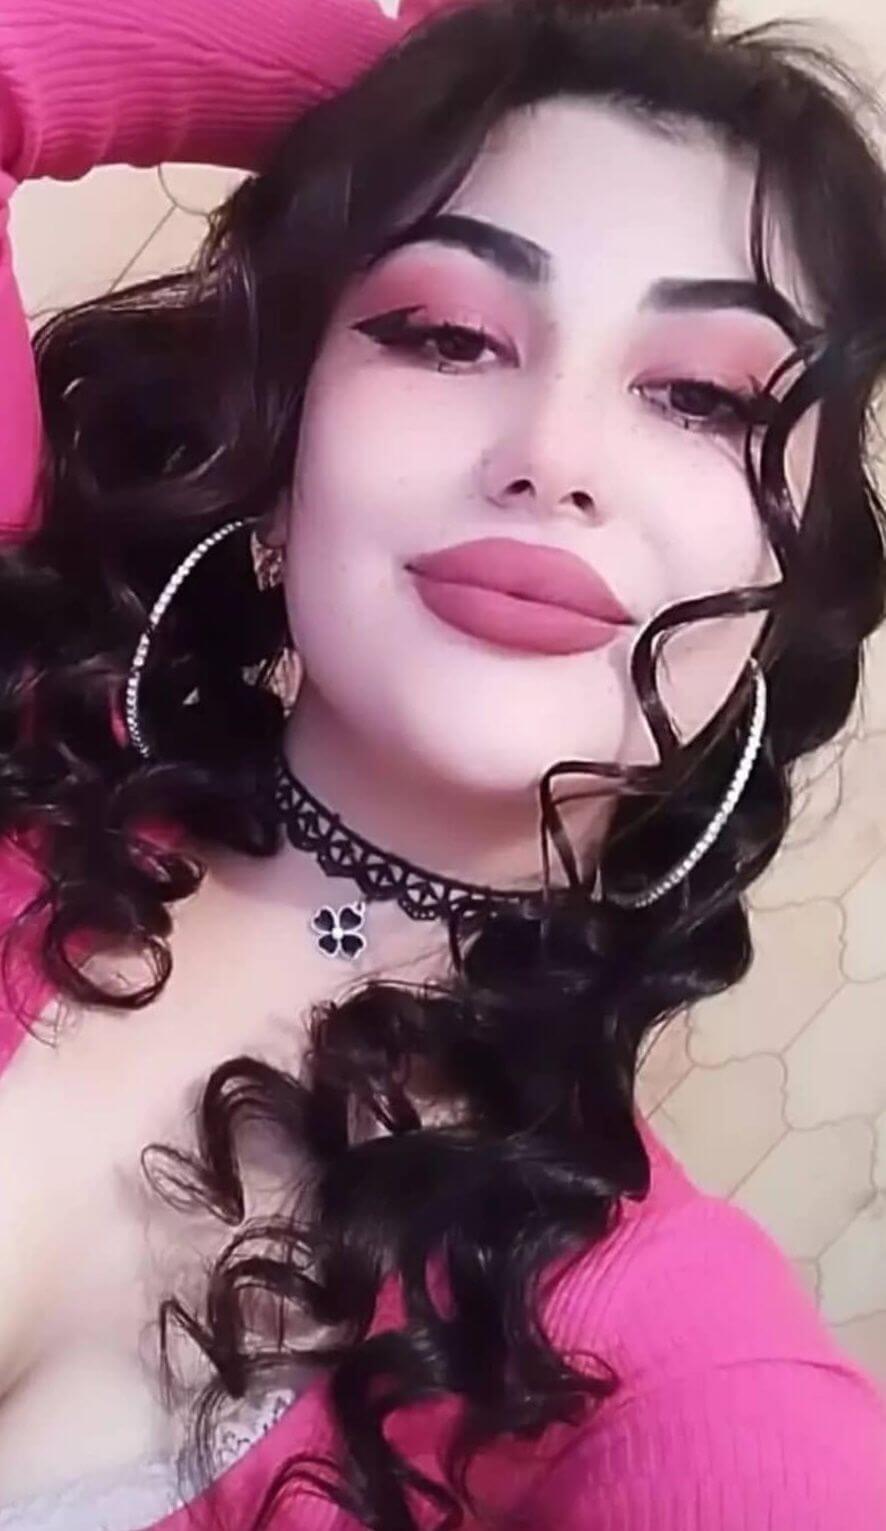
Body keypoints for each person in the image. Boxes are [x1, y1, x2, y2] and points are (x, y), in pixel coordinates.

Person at [0, 0, 884, 1526]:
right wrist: (408, 80)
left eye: (700, 397)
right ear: (277, 455)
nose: (553, 455)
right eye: (444, 333)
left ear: (789, 587)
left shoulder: (671, 1372)